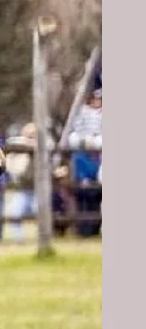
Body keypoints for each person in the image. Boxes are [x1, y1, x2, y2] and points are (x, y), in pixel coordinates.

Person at [68, 88, 102, 237]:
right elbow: (76, 131)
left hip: (99, 151)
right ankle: (84, 228)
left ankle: (94, 228)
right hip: (84, 150)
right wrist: (85, 140)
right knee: (83, 198)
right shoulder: (83, 112)